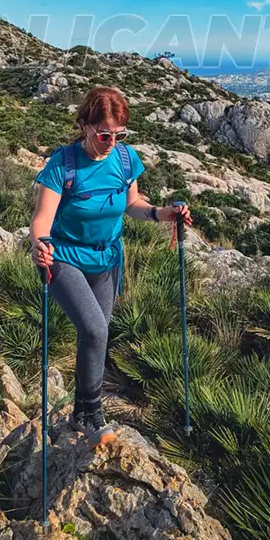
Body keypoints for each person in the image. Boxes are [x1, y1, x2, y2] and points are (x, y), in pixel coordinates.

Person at [30, 86, 191, 446]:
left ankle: (79, 414)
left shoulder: (124, 159)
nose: (111, 141)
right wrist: (40, 244)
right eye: (104, 134)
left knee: (97, 335)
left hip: (107, 258)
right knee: (96, 330)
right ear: (85, 126)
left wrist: (160, 213)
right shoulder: (63, 165)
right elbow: (41, 221)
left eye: (119, 134)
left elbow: (132, 202)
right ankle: (92, 414)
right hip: (64, 257)